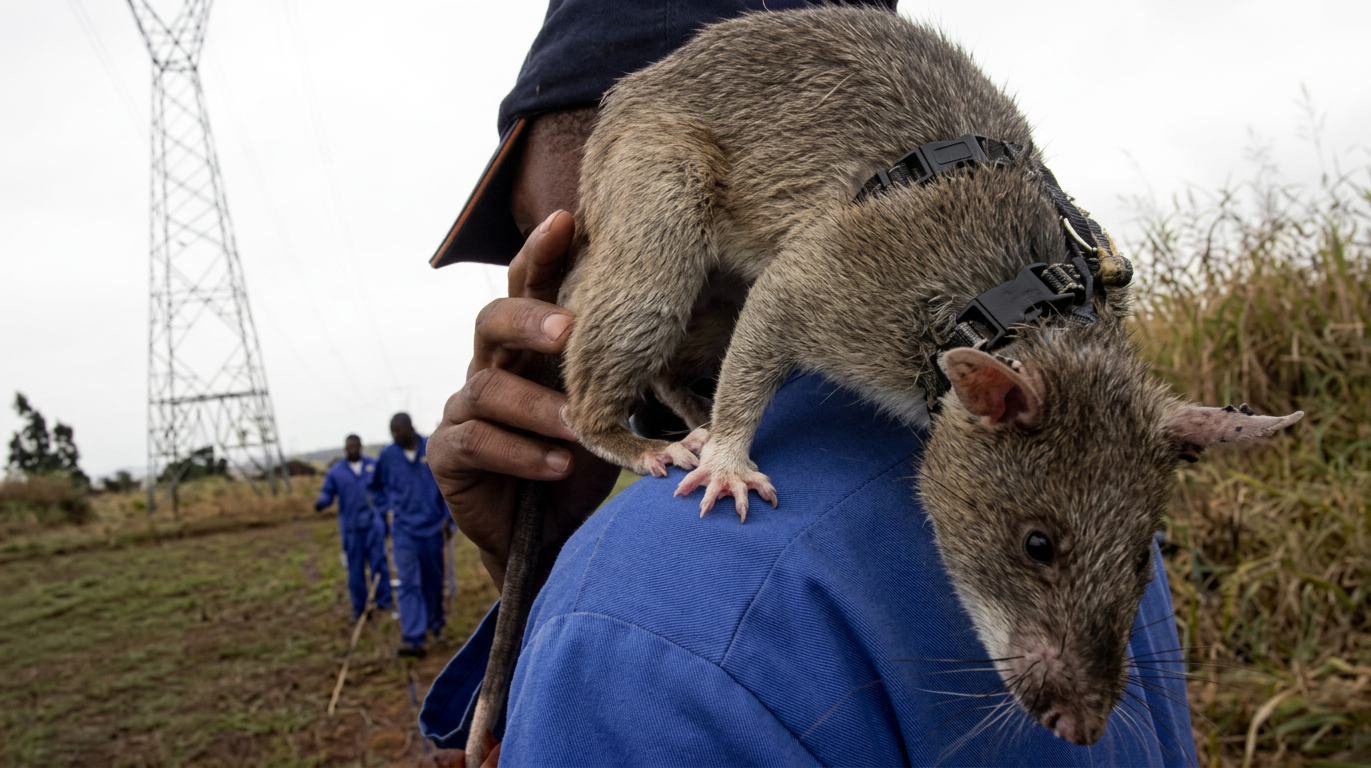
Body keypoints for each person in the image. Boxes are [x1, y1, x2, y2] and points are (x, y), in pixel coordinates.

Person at [419, 1, 1198, 764]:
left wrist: (592, 583)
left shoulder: (644, 621)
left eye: (568, 225)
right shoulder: (1098, 479)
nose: (542, 279)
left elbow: (635, 664)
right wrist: (553, 553)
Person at [374, 412, 450, 658]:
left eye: (399, 430)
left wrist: (447, 520)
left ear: (410, 428)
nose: (396, 436)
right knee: (408, 582)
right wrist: (386, 508)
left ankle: (435, 624)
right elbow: (375, 488)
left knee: (432, 581)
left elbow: (449, 486)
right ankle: (413, 638)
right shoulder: (387, 456)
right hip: (403, 530)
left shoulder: (431, 447)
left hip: (431, 529)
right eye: (392, 432)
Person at [314, 434, 393, 622]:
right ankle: (360, 607)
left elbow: (386, 489)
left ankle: (384, 600)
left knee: (379, 564)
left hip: (373, 524)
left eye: (357, 446)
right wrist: (321, 503)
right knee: (355, 569)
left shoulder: (373, 465)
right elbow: (327, 492)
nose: (354, 449)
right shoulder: (336, 472)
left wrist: (384, 509)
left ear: (361, 446)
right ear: (345, 449)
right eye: (350, 447)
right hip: (352, 528)